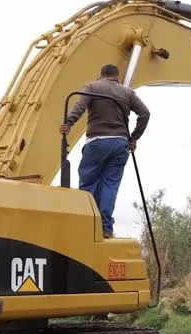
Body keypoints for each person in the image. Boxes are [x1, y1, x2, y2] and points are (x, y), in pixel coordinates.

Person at [60, 64, 150, 238]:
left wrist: (69, 123)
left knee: (88, 184)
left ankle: (88, 225)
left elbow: (79, 107)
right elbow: (145, 113)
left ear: (101, 76)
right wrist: (134, 138)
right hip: (120, 144)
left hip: (97, 142)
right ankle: (106, 229)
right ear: (117, 77)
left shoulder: (93, 87)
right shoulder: (127, 92)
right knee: (110, 185)